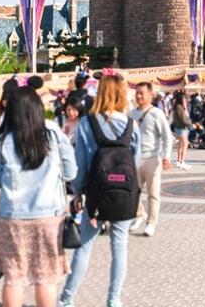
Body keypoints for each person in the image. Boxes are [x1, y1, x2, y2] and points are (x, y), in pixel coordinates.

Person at [0, 86, 76, 307]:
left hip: (12, 218)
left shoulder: (1, 141)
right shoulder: (53, 134)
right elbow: (71, 172)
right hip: (48, 217)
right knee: (45, 278)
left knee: (14, 279)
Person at [58, 73, 142, 307]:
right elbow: (136, 162)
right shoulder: (131, 125)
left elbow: (81, 162)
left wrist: (77, 192)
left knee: (84, 247)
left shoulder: (87, 123)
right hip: (124, 193)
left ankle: (67, 298)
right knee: (120, 247)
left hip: (95, 194)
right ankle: (114, 300)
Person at [128, 82, 173, 236]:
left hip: (152, 158)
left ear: (150, 95)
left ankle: (151, 222)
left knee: (153, 193)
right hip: (135, 158)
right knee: (132, 191)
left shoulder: (157, 113)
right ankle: (140, 214)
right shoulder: (131, 114)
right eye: (137, 93)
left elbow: (167, 136)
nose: (139, 96)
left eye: (142, 93)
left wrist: (166, 156)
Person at [170, 91, 192, 167]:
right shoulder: (179, 108)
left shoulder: (177, 107)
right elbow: (183, 119)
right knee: (185, 144)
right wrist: (191, 124)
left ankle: (179, 160)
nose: (185, 100)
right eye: (184, 99)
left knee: (181, 144)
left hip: (179, 128)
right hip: (181, 128)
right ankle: (182, 161)